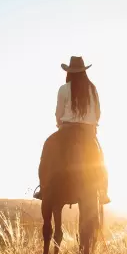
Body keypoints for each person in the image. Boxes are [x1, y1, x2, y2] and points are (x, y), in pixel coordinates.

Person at [34, 56, 110, 204]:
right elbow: (98, 113)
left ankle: (44, 188)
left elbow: (58, 113)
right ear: (84, 72)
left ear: (69, 72)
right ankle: (103, 191)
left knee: (47, 150)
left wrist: (60, 125)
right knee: (100, 159)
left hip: (66, 129)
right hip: (88, 132)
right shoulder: (92, 89)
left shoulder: (63, 89)